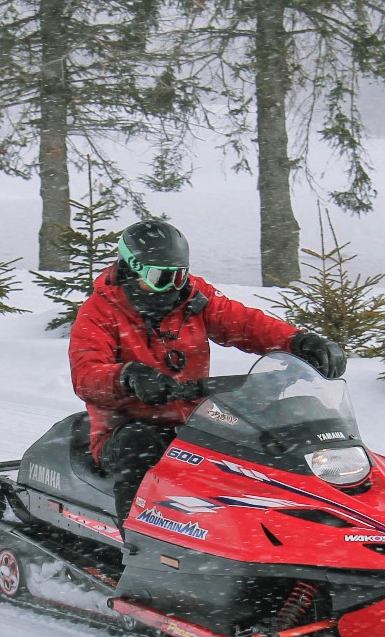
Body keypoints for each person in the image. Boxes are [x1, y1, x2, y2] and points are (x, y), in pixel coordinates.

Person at [69, 218, 347, 523]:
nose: (172, 287)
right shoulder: (99, 312)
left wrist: (297, 341)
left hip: (200, 418)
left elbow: (243, 324)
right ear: (130, 268)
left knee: (293, 418)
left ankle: (317, 517)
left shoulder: (192, 297)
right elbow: (86, 375)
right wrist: (127, 377)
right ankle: (137, 545)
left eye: (179, 276)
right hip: (126, 425)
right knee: (140, 446)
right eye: (161, 277)